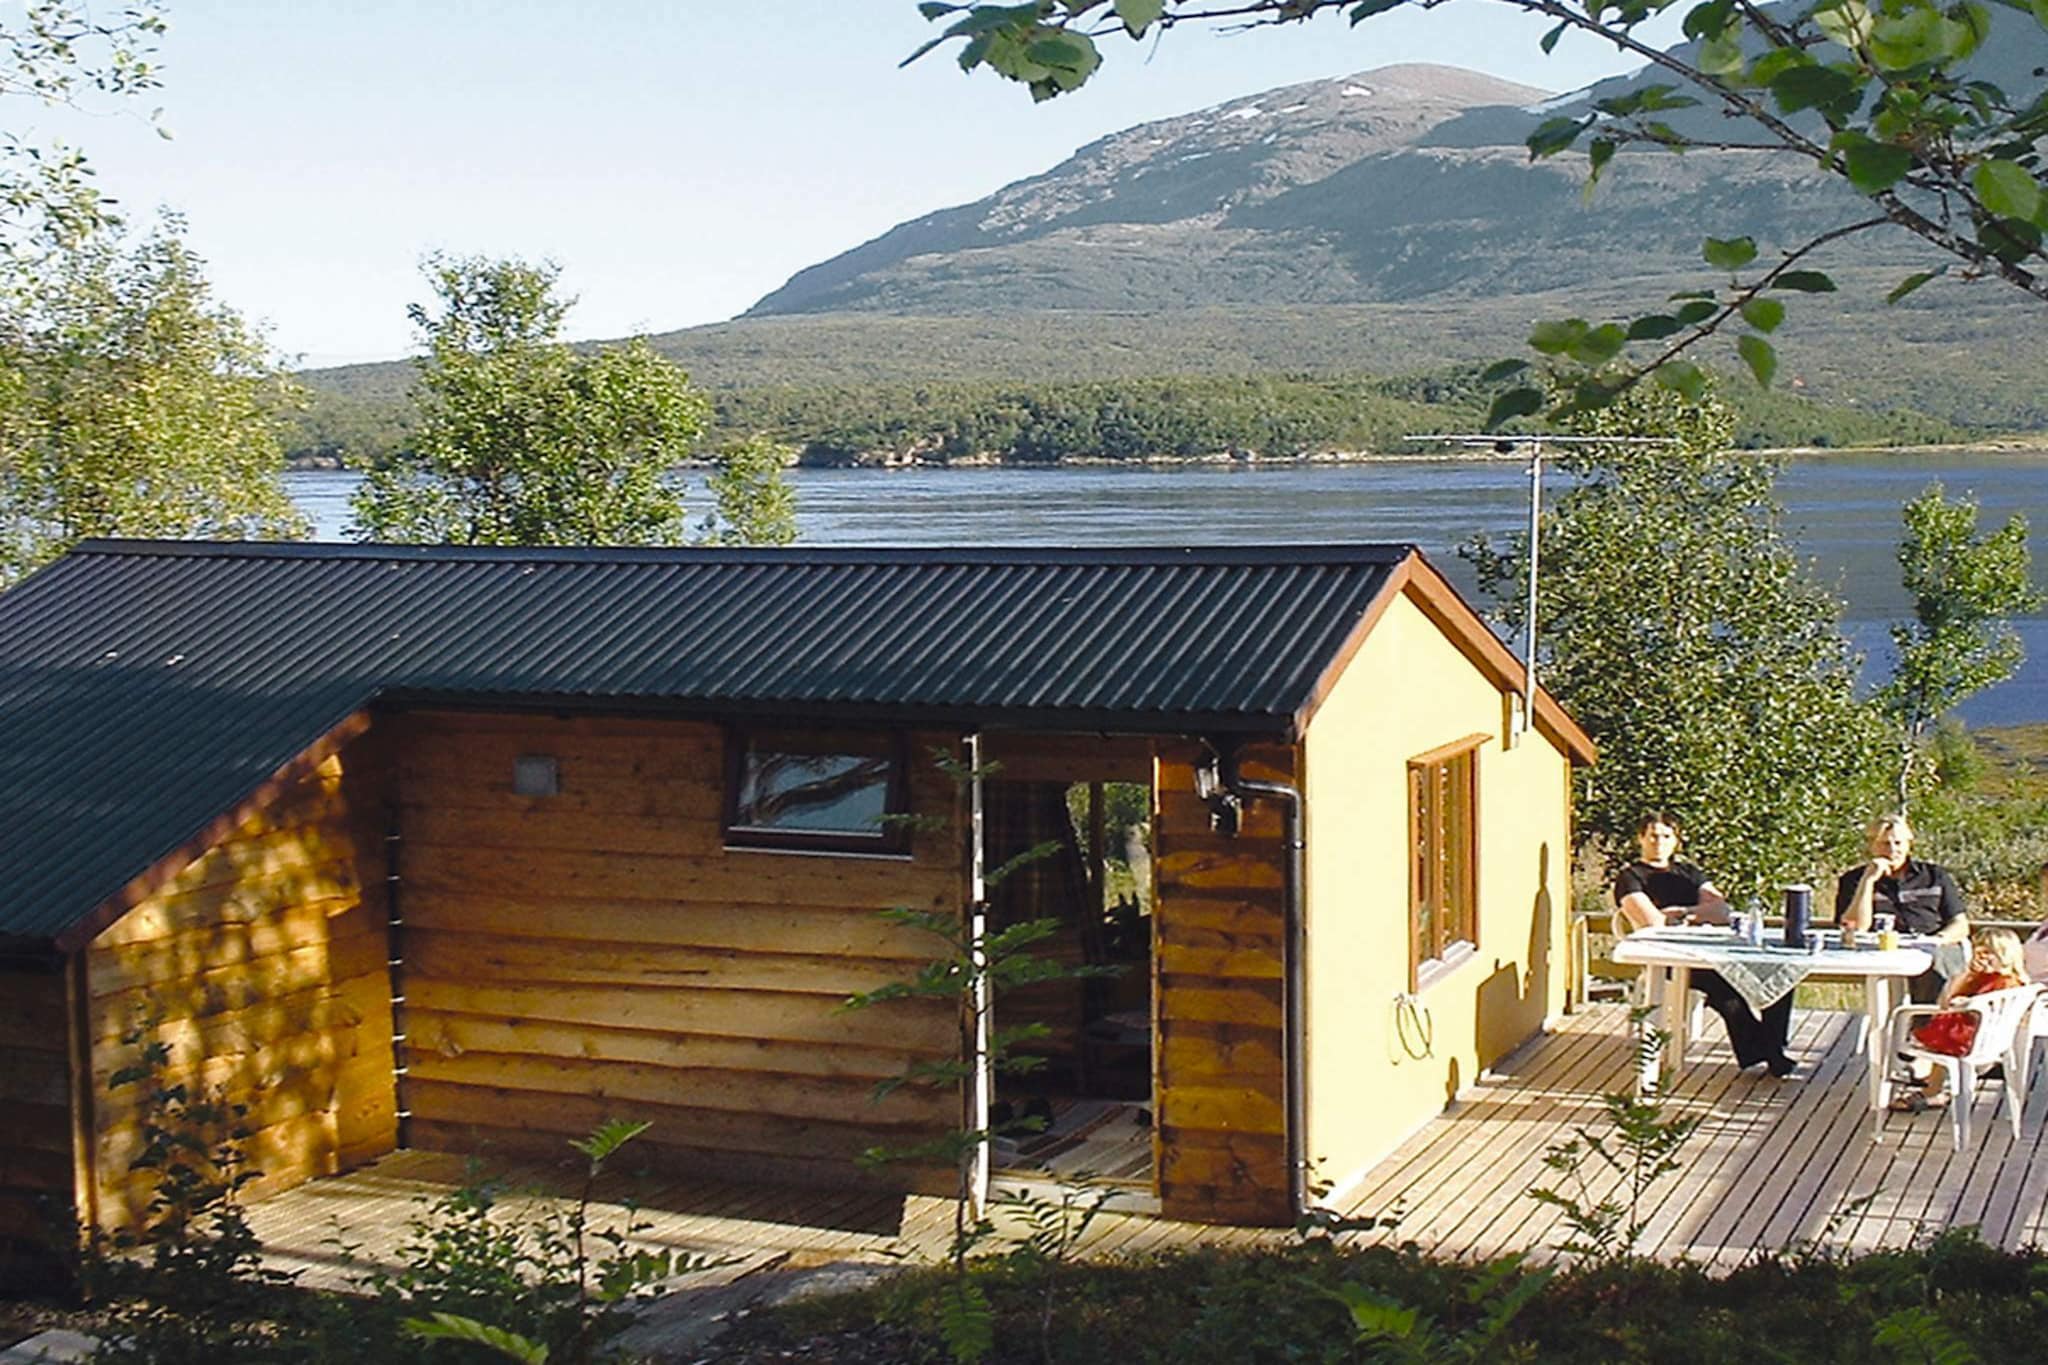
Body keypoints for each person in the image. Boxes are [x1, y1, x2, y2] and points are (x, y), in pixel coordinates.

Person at [1614, 812, 1796, 1077]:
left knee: (1779, 975)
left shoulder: (1688, 872)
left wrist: (1683, 912)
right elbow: (1652, 922)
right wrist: (1697, 912)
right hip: (1666, 956)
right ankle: (1769, 1054)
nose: (1659, 842)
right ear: (1640, 838)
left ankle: (1770, 1048)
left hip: (1707, 949)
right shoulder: (1630, 876)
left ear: (1676, 840)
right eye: (1652, 835)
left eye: (1666, 836)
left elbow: (1722, 910)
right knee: (1728, 991)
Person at [1892, 927, 2031, 1112]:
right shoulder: (1987, 979)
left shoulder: (2006, 984)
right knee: (1941, 1026)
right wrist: (1967, 974)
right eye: (1978, 951)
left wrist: (1967, 1002)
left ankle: (1933, 1090)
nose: (1982, 957)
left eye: (1989, 953)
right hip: (1981, 1038)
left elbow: (1966, 1007)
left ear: (2006, 955)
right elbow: (1947, 999)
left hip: (1973, 1039)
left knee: (1926, 1029)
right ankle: (1935, 1088)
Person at [1836, 813, 1969, 1004]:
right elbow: (1856, 928)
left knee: (1937, 967)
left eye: (1898, 843)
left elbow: (1960, 923)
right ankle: (1888, 1031)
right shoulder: (1853, 880)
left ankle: (1924, 1027)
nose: (1892, 850)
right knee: (1884, 985)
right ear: (1871, 845)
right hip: (1880, 950)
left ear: (1908, 844)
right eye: (1884, 843)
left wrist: (1937, 940)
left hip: (1932, 945)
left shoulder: (1934, 875)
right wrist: (1868, 881)